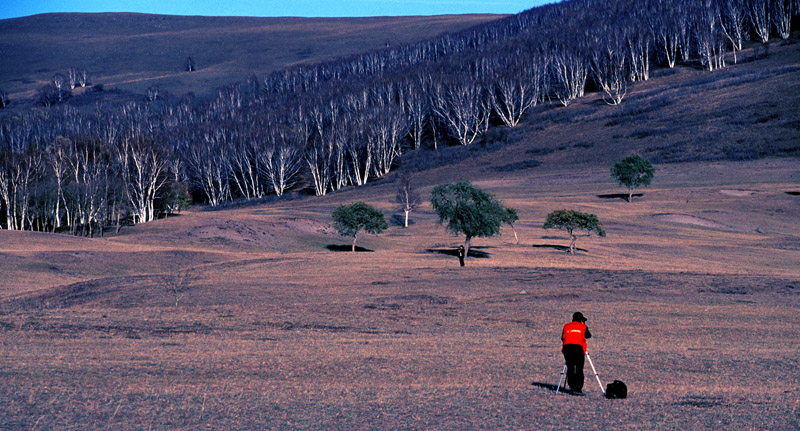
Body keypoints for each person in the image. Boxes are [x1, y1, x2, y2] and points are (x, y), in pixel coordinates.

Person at [561, 312, 592, 394]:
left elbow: (562, 338)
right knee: (579, 368)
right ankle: (578, 388)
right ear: (581, 320)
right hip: (578, 348)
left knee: (570, 367)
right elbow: (588, 336)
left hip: (567, 348)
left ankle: (571, 386)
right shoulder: (583, 327)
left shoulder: (566, 326)